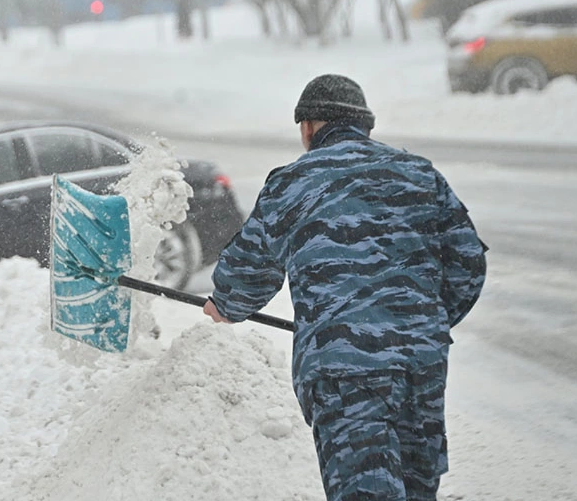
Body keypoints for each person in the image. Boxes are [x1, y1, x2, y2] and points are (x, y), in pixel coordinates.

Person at [203, 74, 487, 501]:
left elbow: (247, 271)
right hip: (421, 367)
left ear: (309, 127)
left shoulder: (293, 181)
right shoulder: (419, 174)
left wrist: (223, 305)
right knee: (414, 489)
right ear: (364, 126)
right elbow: (468, 263)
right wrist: (421, 319)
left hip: (344, 371)